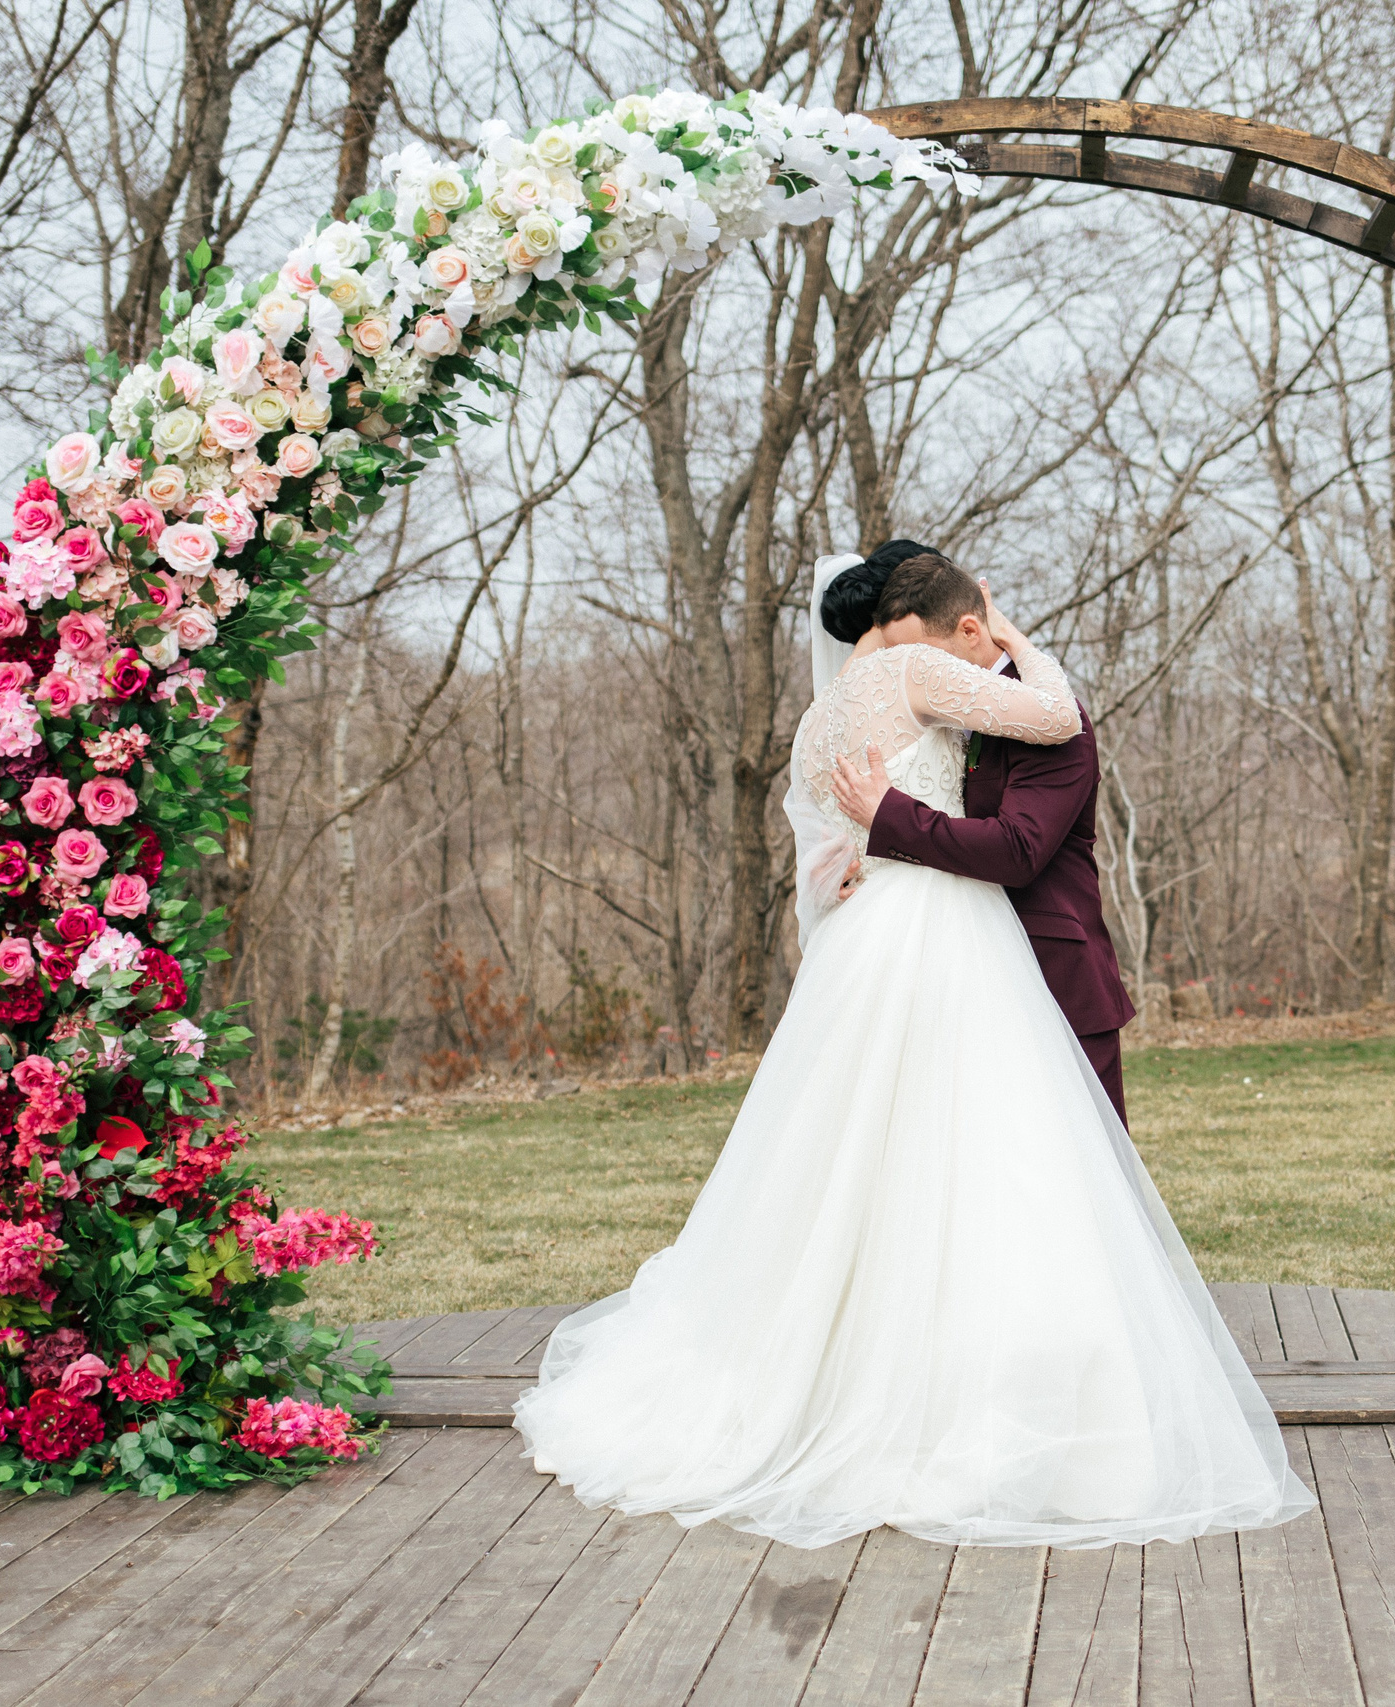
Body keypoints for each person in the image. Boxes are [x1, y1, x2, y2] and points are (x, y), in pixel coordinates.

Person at [511, 549, 1312, 1551]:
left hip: (900, 951)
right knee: (997, 1172)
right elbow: (1045, 725)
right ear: (939, 619)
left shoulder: (826, 715)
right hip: (948, 938)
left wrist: (852, 865)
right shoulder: (916, 676)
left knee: (904, 1169)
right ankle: (982, 1412)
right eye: (968, 625)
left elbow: (851, 854)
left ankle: (927, 1379)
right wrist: (1012, 649)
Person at [827, 557, 1136, 1125]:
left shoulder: (1053, 723)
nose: (909, 672)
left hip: (1054, 975)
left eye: (920, 655)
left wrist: (889, 819)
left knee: (1081, 1178)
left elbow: (1018, 850)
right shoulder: (947, 721)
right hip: (967, 975)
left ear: (971, 631)